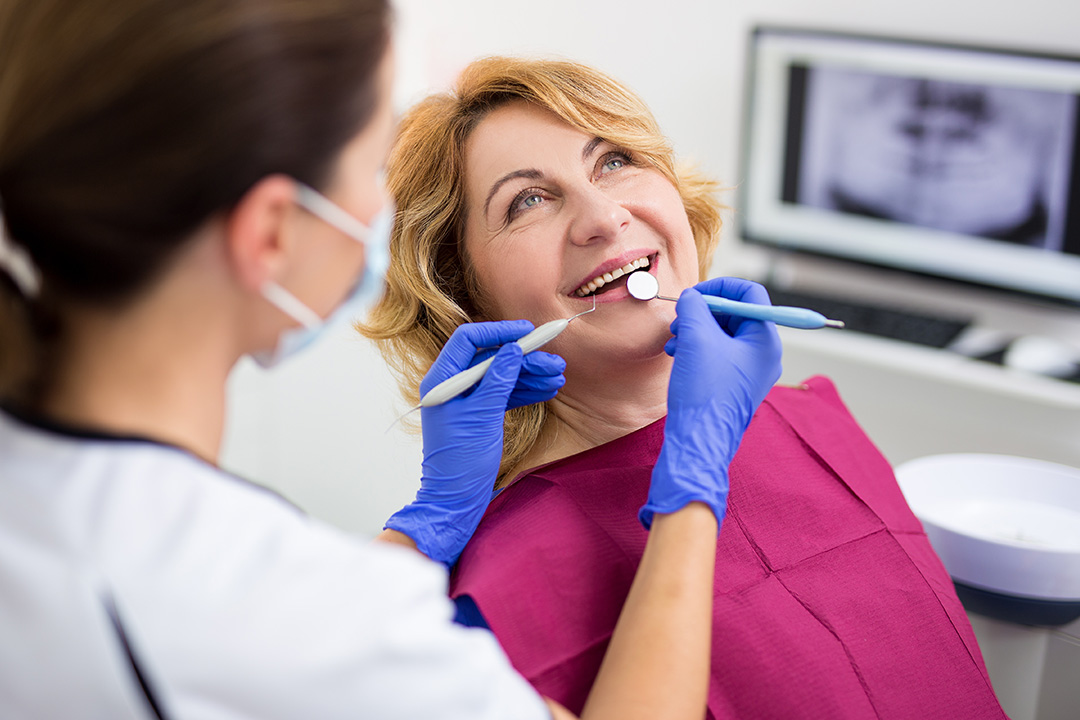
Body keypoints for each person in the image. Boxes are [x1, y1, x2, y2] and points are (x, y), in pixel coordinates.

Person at [0, 2, 781, 719]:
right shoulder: (233, 597)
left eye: (615, 161)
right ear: (272, 231)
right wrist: (691, 485)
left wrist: (426, 527)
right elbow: (309, 639)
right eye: (376, 162)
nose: (605, 217)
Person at [362, 56, 1009, 719]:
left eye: (613, 161)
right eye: (528, 199)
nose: (603, 216)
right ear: (464, 290)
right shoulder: (492, 600)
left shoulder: (819, 422)